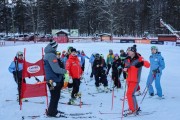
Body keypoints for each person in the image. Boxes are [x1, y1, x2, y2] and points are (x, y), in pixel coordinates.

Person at [124, 46, 150, 115]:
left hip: (135, 80)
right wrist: (125, 68)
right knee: (132, 95)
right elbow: (126, 67)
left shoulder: (139, 58)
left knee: (129, 94)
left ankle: (132, 110)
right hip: (128, 79)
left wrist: (142, 63)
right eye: (127, 51)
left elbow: (148, 65)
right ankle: (135, 108)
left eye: (129, 51)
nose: (128, 52)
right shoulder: (127, 59)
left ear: (133, 52)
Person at [44, 40, 67, 117]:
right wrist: (65, 71)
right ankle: (52, 112)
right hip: (53, 79)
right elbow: (56, 69)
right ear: (53, 47)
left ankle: (53, 110)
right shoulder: (51, 55)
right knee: (55, 96)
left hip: (51, 78)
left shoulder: (47, 54)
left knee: (55, 96)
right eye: (56, 47)